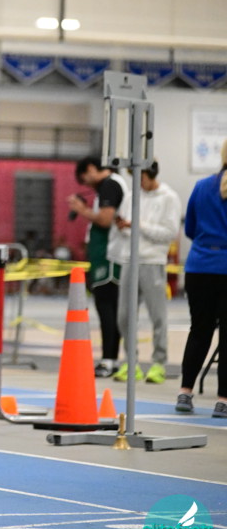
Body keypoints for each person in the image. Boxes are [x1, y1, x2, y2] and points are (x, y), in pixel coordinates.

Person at [111, 161, 182, 384]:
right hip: (129, 259)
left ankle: (159, 363)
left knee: (157, 315)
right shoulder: (131, 196)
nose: (138, 181)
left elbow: (169, 233)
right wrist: (124, 227)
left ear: (151, 174)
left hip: (153, 261)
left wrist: (138, 225)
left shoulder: (169, 197)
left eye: (140, 177)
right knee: (124, 316)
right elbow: (124, 227)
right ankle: (130, 362)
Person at [175, 140, 227, 418]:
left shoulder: (201, 186)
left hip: (199, 267)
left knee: (199, 331)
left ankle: (185, 392)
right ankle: (223, 400)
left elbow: (190, 228)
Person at [68, 157, 131, 378]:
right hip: (104, 254)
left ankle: (109, 360)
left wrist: (81, 209)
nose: (87, 185)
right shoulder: (109, 186)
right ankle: (110, 359)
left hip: (109, 256)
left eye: (85, 179)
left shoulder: (110, 185)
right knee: (109, 308)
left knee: (107, 307)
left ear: (91, 169)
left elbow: (105, 219)